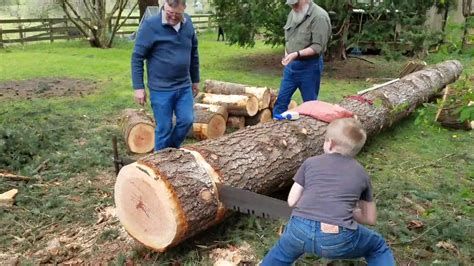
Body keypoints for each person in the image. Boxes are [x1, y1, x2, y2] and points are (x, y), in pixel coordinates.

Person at [262, 118, 395, 266]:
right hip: (338, 238)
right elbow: (370, 218)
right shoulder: (361, 173)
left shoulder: (310, 162)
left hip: (299, 229)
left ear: (330, 143)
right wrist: (347, 211)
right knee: (378, 247)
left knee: (282, 251)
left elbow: (292, 201)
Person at [131, 0, 200, 151]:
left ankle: (170, 149)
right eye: (170, 13)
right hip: (160, 89)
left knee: (187, 120)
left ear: (184, 8)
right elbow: (137, 57)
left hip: (183, 85)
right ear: (164, 5)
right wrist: (138, 87)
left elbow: (193, 53)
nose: (173, 17)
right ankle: (159, 163)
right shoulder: (150, 25)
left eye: (177, 14)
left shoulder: (188, 23)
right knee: (164, 127)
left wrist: (195, 80)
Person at [273, 0, 331, 118]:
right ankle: (275, 130)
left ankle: (311, 132)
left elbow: (317, 47)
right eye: (291, 4)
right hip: (291, 66)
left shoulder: (319, 17)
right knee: (281, 101)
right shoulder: (293, 13)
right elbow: (289, 38)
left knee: (310, 105)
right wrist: (287, 53)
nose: (293, 7)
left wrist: (296, 54)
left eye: (296, 4)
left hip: (310, 67)